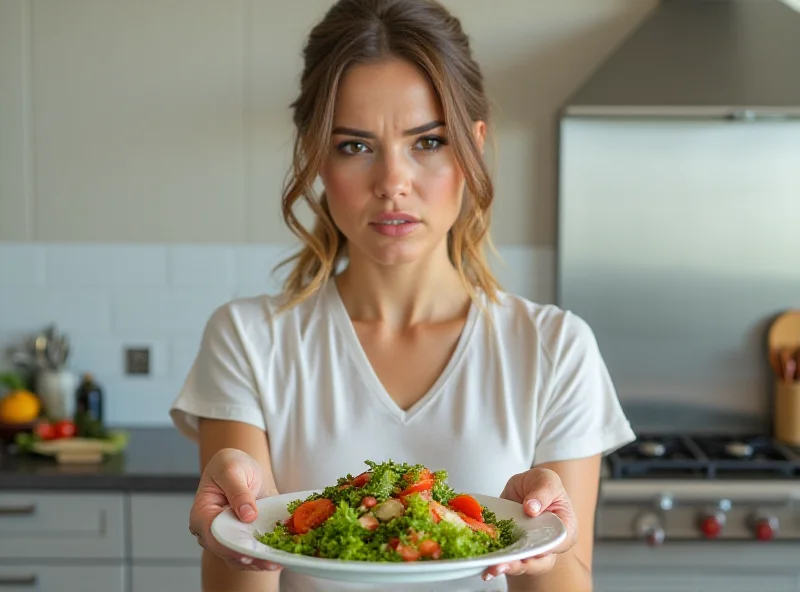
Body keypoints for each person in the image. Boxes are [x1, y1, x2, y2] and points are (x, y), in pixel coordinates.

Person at [170, 0, 635, 590]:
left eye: (428, 141)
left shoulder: (555, 348)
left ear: (472, 150)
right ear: (315, 157)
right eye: (354, 146)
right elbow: (241, 579)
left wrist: (545, 550)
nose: (392, 182)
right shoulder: (247, 339)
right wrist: (232, 535)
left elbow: (566, 582)